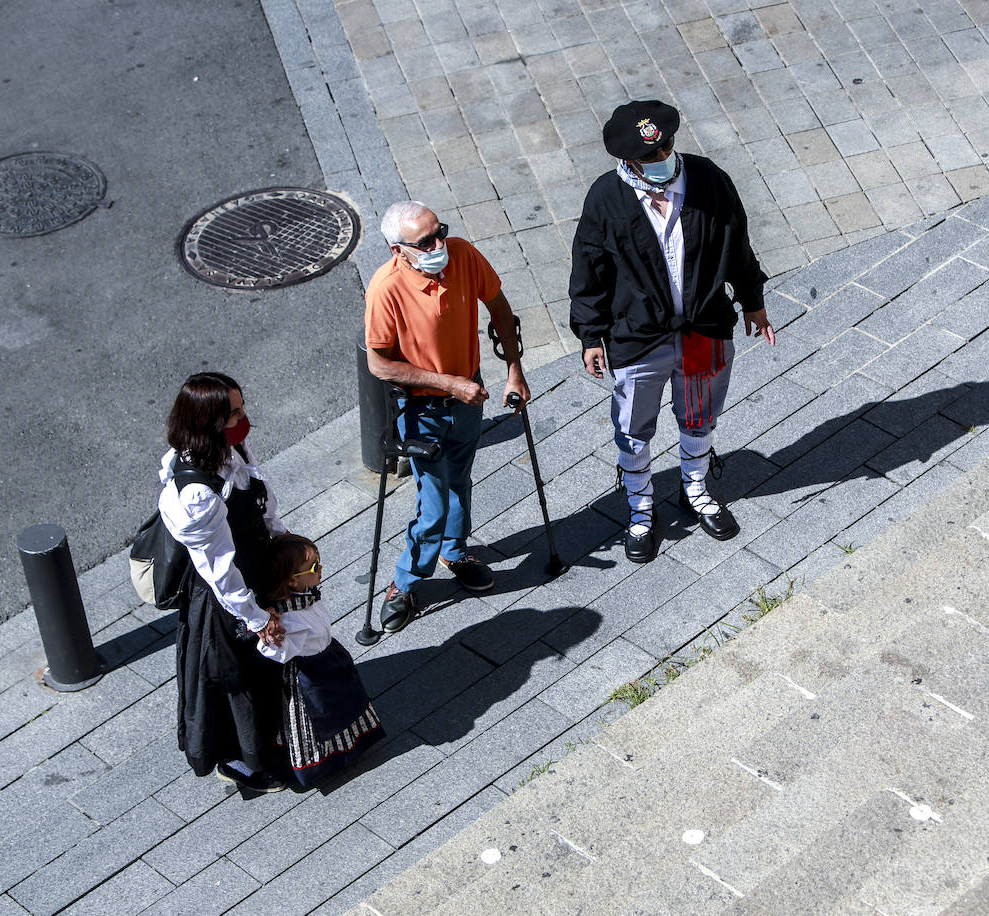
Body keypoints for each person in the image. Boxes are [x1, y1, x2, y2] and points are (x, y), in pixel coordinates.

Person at [569, 99, 775, 563]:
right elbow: (588, 271)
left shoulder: (708, 179)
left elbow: (737, 242)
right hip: (639, 339)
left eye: (666, 149)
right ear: (628, 161)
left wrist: (753, 301)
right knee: (633, 431)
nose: (664, 160)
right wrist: (590, 335)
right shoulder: (605, 199)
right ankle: (641, 509)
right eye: (651, 157)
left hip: (704, 330)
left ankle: (695, 488)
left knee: (700, 417)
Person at [364, 200, 531, 631]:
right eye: (426, 241)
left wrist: (514, 371)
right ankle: (405, 580)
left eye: (440, 232)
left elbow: (499, 307)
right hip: (422, 409)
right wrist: (450, 384)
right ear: (398, 249)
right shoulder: (385, 289)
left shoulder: (463, 254)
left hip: (467, 401)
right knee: (433, 501)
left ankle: (455, 552)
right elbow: (380, 365)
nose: (440, 244)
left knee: (460, 482)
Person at [159, 372, 289, 793]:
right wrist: (254, 617)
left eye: (241, 406)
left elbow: (258, 493)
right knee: (237, 680)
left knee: (260, 673)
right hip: (226, 598)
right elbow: (219, 572)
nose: (244, 418)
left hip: (251, 566)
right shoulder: (199, 493)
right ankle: (243, 762)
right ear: (207, 422)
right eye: (234, 412)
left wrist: (281, 541)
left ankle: (271, 737)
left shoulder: (223, 449)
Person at [256, 534, 385, 787]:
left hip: (329, 657)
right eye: (314, 566)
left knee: (344, 703)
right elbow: (273, 650)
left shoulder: (307, 596)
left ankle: (351, 744)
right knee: (318, 717)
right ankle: (320, 762)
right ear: (293, 580)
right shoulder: (288, 619)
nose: (321, 568)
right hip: (309, 673)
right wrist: (271, 639)